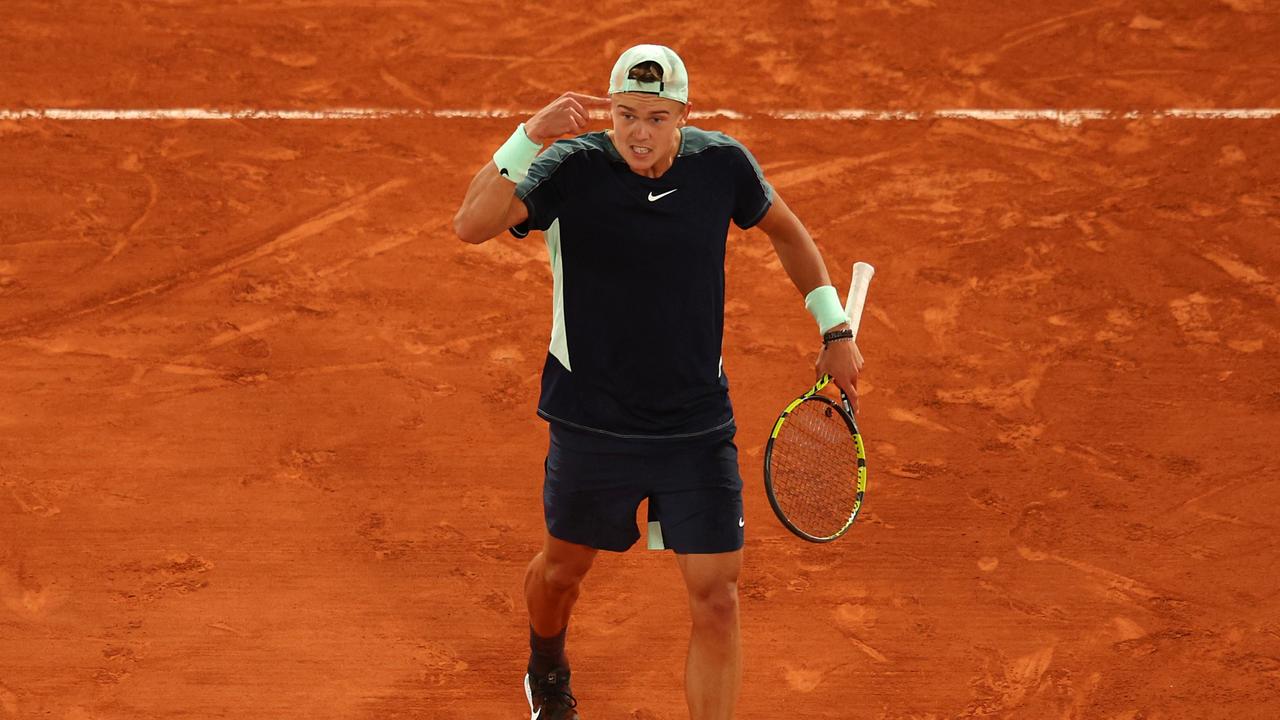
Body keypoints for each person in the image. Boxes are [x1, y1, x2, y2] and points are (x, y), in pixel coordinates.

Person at [453, 44, 862, 720]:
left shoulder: (720, 165)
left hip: (693, 426)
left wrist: (835, 328)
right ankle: (546, 667)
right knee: (561, 575)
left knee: (718, 598)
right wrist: (529, 136)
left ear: (682, 117)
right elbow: (471, 225)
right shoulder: (570, 168)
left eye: (654, 116)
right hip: (593, 423)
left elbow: (788, 233)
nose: (637, 132)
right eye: (623, 114)